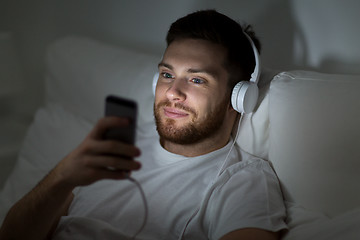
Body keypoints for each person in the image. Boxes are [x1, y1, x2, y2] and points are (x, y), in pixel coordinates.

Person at [0, 10, 287, 240]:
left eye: (197, 79)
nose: (173, 92)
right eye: (166, 74)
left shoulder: (243, 181)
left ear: (238, 98)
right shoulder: (117, 147)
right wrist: (62, 177)